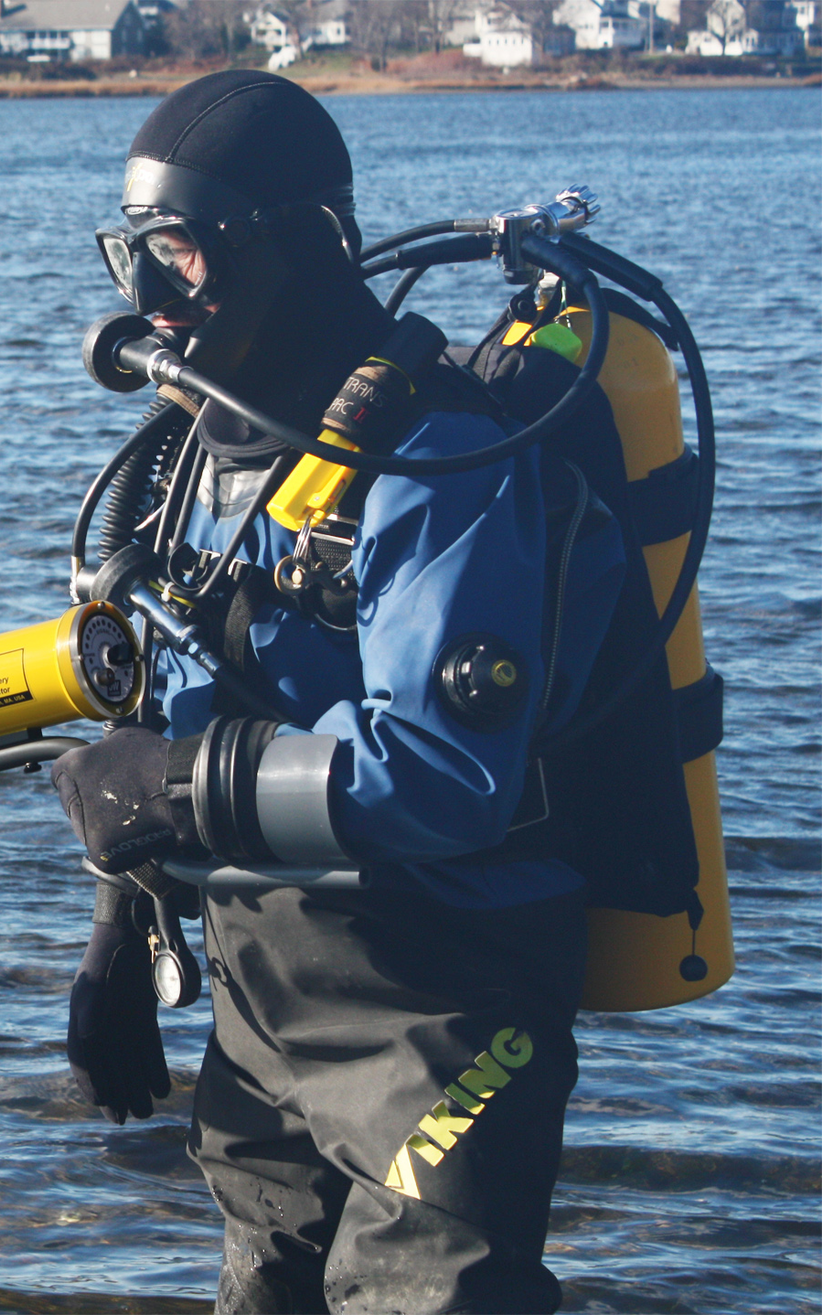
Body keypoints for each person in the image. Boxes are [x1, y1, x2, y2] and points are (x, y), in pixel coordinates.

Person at [48, 71, 627, 1314]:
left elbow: (444, 776)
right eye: (133, 253)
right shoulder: (202, 447)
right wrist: (119, 933)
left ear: (299, 245)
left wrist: (171, 790)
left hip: (442, 1000)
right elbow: (164, 706)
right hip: (263, 990)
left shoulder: (438, 456)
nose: (149, 298)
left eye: (183, 253)